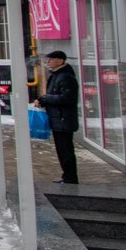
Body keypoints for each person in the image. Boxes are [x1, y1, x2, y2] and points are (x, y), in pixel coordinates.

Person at [36, 50, 79, 184]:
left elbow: (68, 98)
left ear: (60, 61)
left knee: (65, 150)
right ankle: (67, 176)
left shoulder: (65, 77)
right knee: (62, 150)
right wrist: (44, 100)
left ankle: (70, 178)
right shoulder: (56, 75)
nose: (48, 62)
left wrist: (46, 99)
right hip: (58, 119)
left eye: (51, 59)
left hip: (63, 119)